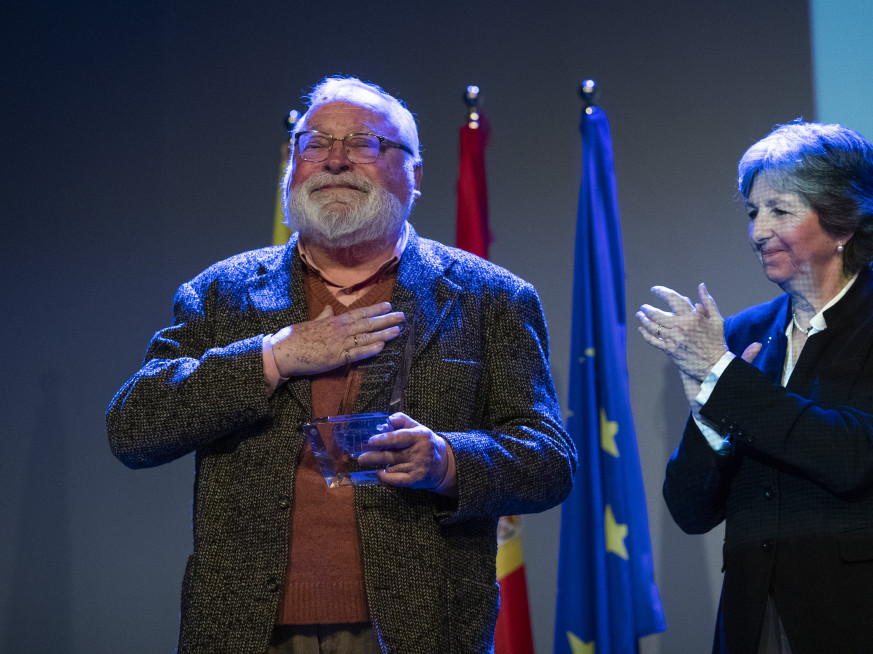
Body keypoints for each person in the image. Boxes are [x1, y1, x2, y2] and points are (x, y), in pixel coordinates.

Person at [106, 75, 577, 654]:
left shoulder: (491, 299)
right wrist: (274, 357)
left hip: (419, 629)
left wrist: (447, 460)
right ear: (293, 169)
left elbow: (549, 461)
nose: (334, 160)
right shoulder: (221, 294)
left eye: (363, 143)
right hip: (244, 631)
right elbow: (133, 428)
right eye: (314, 143)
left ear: (417, 175)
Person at [636, 121, 873, 653]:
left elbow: (850, 453)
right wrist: (708, 417)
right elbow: (691, 511)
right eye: (752, 212)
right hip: (756, 616)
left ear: (843, 224)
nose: (757, 231)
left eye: (779, 210)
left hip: (871, 617)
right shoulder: (741, 335)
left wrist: (721, 375)